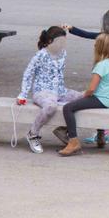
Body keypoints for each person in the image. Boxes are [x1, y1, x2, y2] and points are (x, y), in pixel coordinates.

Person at [64, 9, 109, 146]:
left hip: (106, 88)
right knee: (98, 94)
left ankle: (73, 141)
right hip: (108, 92)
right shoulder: (104, 36)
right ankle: (101, 135)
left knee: (71, 106)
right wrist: (72, 29)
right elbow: (87, 34)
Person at [17, 26, 81, 154]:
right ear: (50, 41)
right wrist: (23, 94)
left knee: (83, 98)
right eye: (59, 41)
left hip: (60, 91)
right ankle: (33, 133)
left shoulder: (63, 53)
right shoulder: (40, 55)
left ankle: (63, 130)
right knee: (51, 106)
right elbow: (28, 74)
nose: (62, 44)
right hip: (42, 91)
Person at [58, 33, 109, 157]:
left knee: (68, 108)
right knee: (83, 104)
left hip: (102, 99)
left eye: (95, 45)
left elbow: (92, 89)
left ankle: (73, 141)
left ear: (100, 48)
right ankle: (100, 137)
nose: (94, 47)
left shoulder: (101, 65)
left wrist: (83, 95)